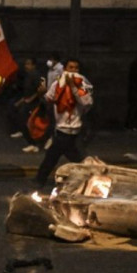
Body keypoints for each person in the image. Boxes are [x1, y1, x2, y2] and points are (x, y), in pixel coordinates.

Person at [35, 58, 94, 187]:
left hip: (75, 130)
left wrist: (73, 86)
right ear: (65, 69)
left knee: (58, 157)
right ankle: (39, 182)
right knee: (55, 158)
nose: (73, 71)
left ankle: (39, 181)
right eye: (70, 68)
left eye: (76, 68)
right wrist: (42, 93)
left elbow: (86, 102)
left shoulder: (81, 86)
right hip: (61, 130)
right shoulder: (58, 84)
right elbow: (49, 99)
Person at [13, 58, 48, 152]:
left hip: (35, 104)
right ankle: (32, 143)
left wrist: (31, 99)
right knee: (23, 121)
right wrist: (22, 101)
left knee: (32, 124)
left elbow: (40, 89)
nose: (26, 66)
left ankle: (35, 144)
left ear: (34, 65)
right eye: (26, 64)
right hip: (28, 102)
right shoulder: (28, 75)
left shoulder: (35, 75)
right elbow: (27, 92)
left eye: (28, 64)